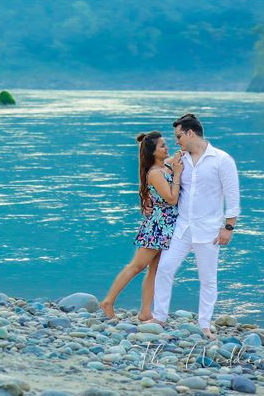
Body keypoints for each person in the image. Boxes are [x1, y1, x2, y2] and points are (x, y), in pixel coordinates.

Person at [150, 113, 240, 340]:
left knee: (208, 279)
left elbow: (232, 196)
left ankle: (205, 324)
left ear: (190, 133)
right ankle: (159, 316)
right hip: (182, 228)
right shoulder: (180, 159)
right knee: (165, 268)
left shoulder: (222, 160)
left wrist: (228, 227)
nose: (176, 141)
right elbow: (156, 171)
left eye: (178, 136)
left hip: (209, 230)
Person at [100, 131, 182, 320]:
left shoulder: (165, 166)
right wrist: (177, 174)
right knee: (136, 266)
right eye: (162, 145)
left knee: (155, 269)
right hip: (157, 227)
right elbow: (171, 198)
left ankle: (145, 312)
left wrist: (185, 150)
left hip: (167, 226)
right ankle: (108, 301)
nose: (167, 147)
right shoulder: (155, 173)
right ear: (153, 152)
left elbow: (177, 157)